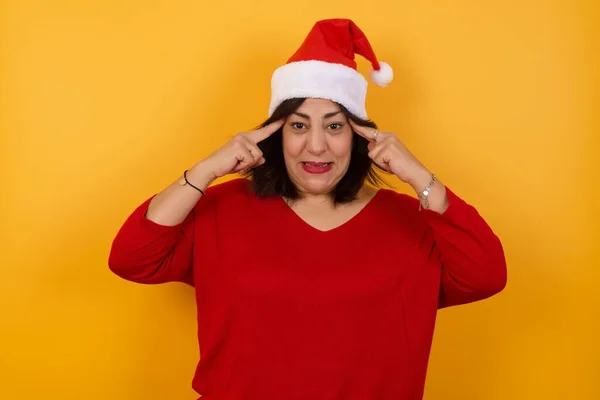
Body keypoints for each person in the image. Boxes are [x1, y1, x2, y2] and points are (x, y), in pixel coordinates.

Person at [108, 18, 507, 400]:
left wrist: (420, 177)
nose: (316, 145)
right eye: (298, 125)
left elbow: (485, 276)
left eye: (334, 126)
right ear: (275, 134)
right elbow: (132, 259)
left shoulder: (411, 221)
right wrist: (207, 169)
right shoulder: (220, 210)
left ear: (360, 136)